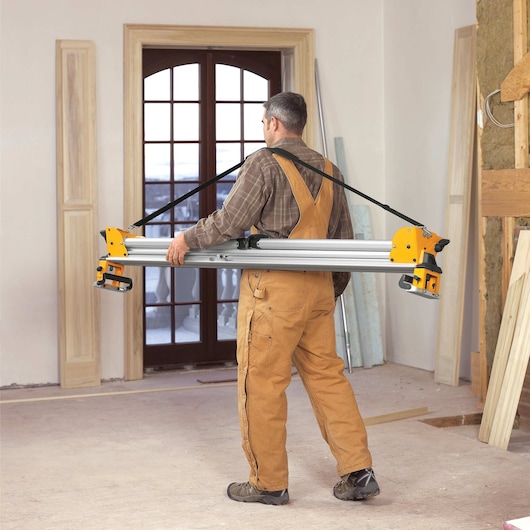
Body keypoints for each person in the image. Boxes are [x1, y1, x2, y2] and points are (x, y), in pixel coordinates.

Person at [166, 91, 379, 505]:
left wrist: (187, 238)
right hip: (318, 290)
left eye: (265, 123)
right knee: (328, 380)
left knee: (261, 384)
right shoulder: (329, 168)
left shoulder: (264, 162)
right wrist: (328, 293)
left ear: (274, 124)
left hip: (273, 293)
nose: (264, 128)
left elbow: (231, 222)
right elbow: (345, 242)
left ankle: (268, 483)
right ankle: (358, 471)